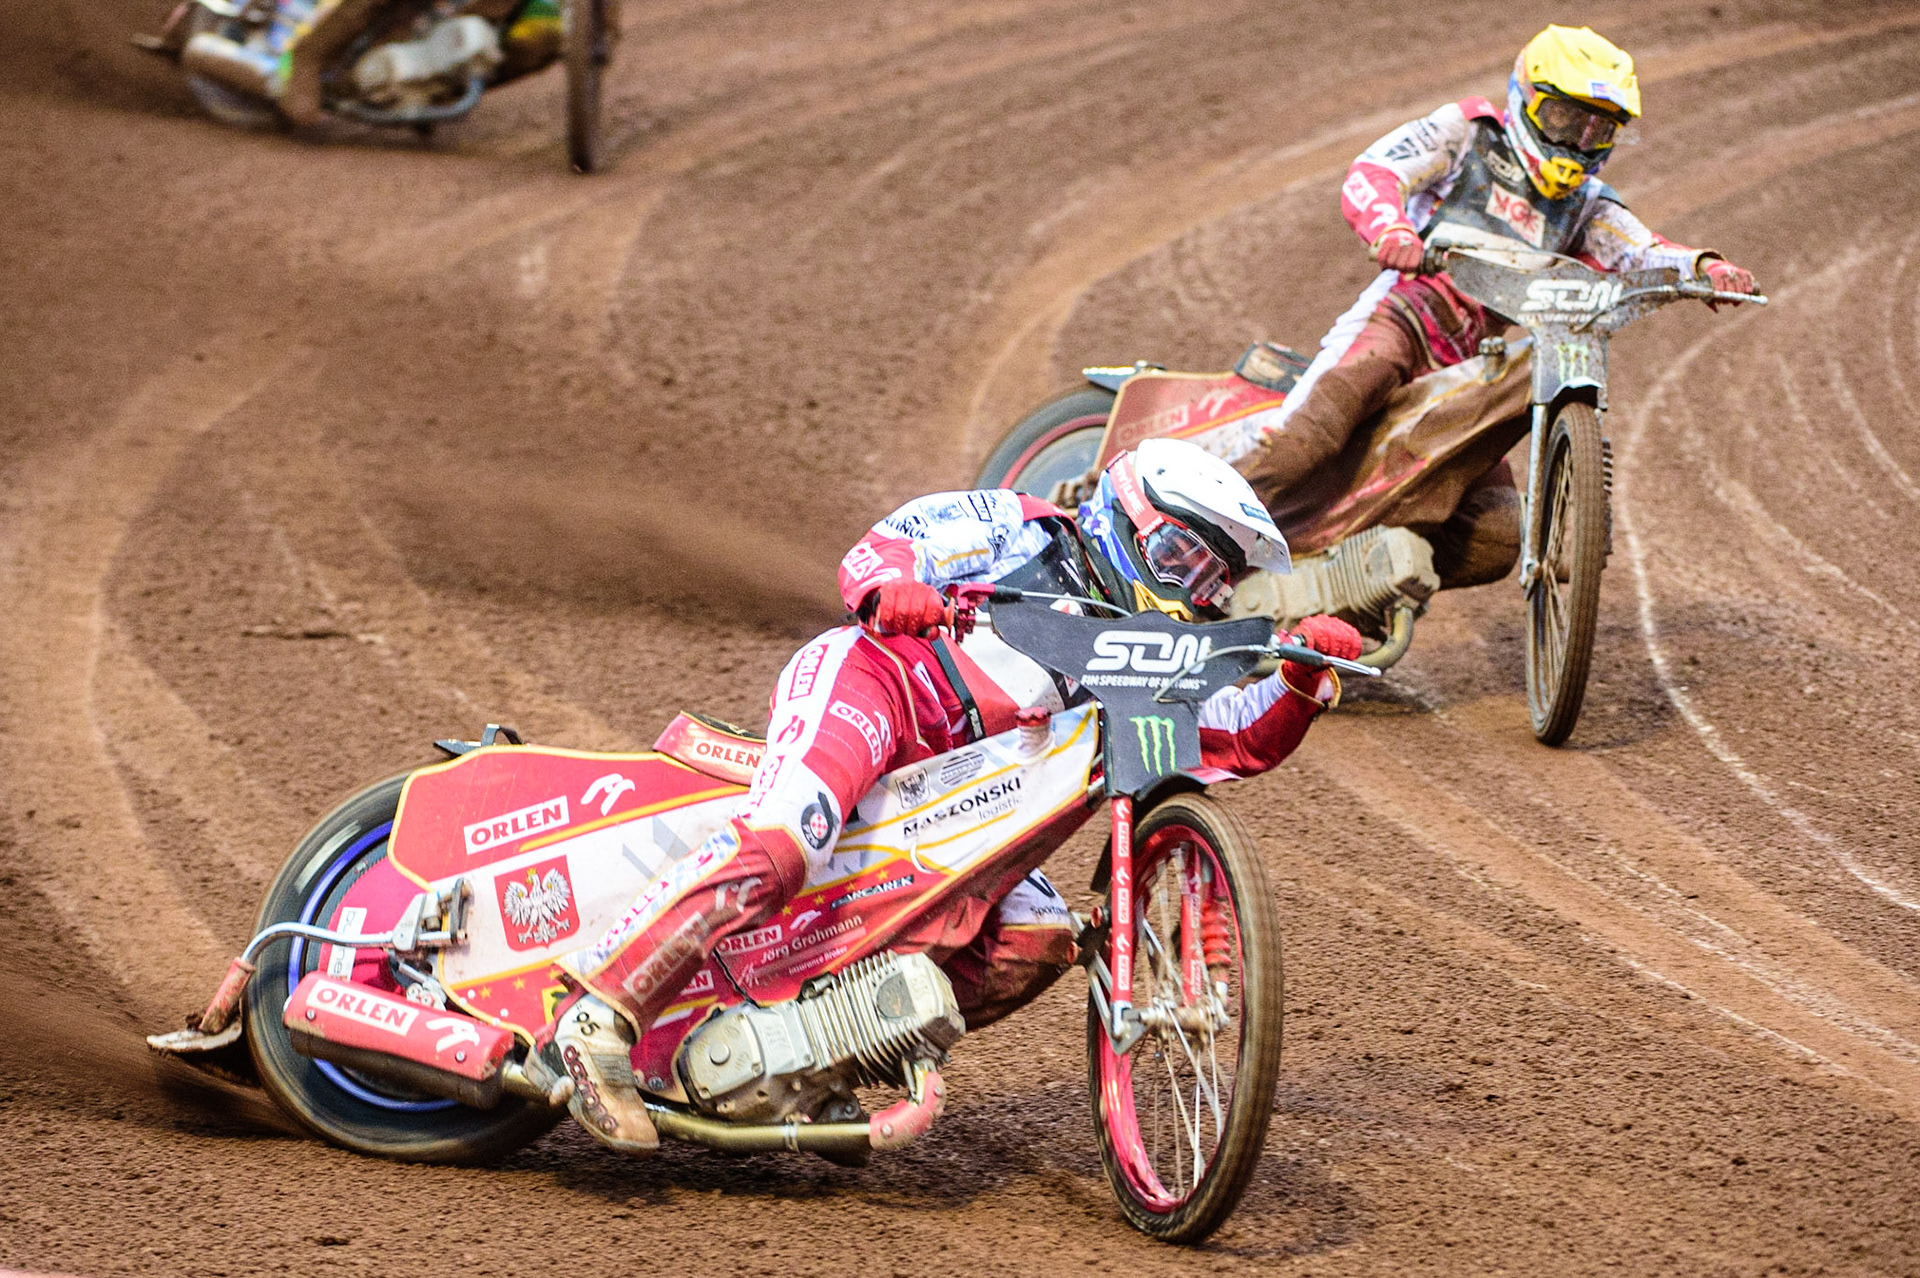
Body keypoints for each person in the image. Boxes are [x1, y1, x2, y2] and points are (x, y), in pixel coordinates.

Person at [530, 439, 1363, 1152]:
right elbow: (885, 545)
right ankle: (599, 1014)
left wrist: (1298, 680)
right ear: (1124, 518)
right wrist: (896, 588)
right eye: (1183, 559)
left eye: (1214, 581)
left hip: (968, 799)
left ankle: (816, 1055)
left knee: (1035, 935)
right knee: (788, 839)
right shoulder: (1022, 527)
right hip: (879, 689)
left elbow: (1236, 737)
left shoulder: (1155, 656)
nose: (1193, 592)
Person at [1233, 24, 1759, 590]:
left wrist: (1705, 269)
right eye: (1564, 120)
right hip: (1405, 321)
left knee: (1495, 540)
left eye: (1596, 129)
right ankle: (1181, 546)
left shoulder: (1586, 206)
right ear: (1527, 101)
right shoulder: (1468, 133)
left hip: (1475, 367)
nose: (1577, 143)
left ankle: (1355, 582)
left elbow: (1641, 249)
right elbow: (1377, 170)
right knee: (1307, 439)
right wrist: (1391, 227)